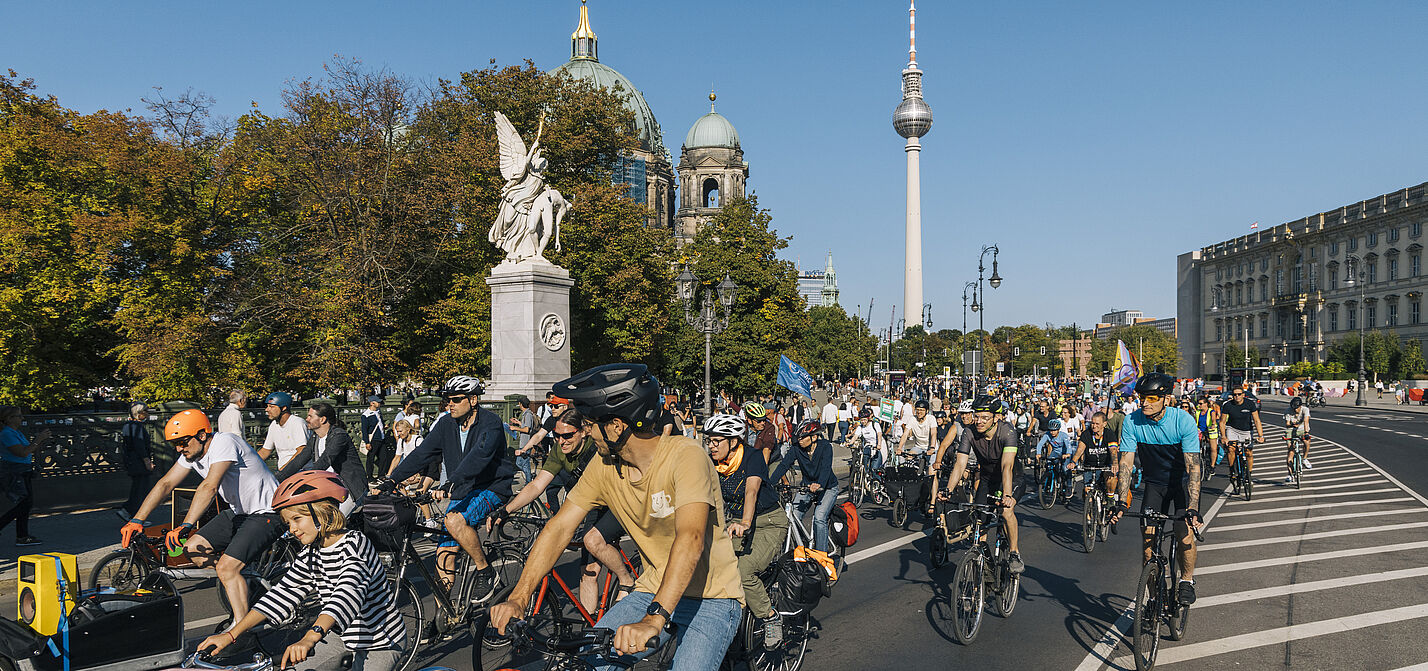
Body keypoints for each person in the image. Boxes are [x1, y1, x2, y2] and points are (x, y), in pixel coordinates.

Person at [489, 364, 744, 668]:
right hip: (652, 588)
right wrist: (520, 595)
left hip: (712, 597)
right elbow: (559, 528)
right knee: (589, 664)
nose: (586, 431)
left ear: (616, 426)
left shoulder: (685, 455)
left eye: (589, 423)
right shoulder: (604, 464)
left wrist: (654, 619)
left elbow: (691, 538)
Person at [199, 471, 405, 671]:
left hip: (380, 641)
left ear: (322, 512)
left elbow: (346, 595)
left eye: (297, 519)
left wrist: (310, 637)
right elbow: (282, 594)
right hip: (341, 636)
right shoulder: (310, 553)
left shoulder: (356, 545)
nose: (292, 529)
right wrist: (231, 635)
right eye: (288, 523)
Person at [122, 409, 283, 625]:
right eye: (175, 444)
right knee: (192, 549)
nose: (180, 448)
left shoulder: (225, 442)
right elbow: (165, 484)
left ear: (201, 435)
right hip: (239, 512)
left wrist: (185, 525)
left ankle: (242, 629)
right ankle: (243, 578)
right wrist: (136, 520)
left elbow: (209, 485)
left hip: (267, 511)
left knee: (227, 567)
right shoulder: (191, 453)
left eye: (183, 442)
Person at [379, 375, 512, 603]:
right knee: (443, 556)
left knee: (453, 521)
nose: (450, 404)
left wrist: (451, 481)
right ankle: (444, 614)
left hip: (490, 487)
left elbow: (479, 455)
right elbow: (422, 454)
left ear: (473, 400)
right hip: (462, 488)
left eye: (456, 399)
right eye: (447, 399)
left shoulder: (490, 423)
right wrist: (393, 479)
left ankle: (485, 570)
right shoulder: (446, 424)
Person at [490, 407, 634, 614]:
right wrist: (506, 510)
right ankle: (589, 623)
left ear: (583, 431)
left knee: (592, 541)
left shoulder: (596, 448)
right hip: (590, 504)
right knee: (588, 571)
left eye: (567, 435)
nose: (561, 441)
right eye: (557, 436)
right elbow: (537, 485)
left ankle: (626, 579)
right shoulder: (559, 450)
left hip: (617, 503)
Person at [1110, 373, 1204, 605]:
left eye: (1151, 398)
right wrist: (1122, 501)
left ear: (1167, 399)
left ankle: (1186, 581)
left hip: (1181, 483)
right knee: (1148, 545)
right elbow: (1125, 464)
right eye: (1142, 397)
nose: (1145, 403)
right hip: (1155, 485)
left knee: (1183, 532)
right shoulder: (1132, 421)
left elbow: (1193, 468)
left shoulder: (1183, 421)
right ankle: (1154, 598)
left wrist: (1192, 507)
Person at [705, 413, 788, 649]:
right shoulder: (713, 462)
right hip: (733, 521)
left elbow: (751, 492)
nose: (711, 446)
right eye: (708, 441)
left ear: (733, 442)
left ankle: (770, 617)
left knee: (743, 571)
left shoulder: (752, 457)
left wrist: (746, 523)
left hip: (767, 522)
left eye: (715, 441)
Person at [939, 395, 1025, 574]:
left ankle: (1014, 553)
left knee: (1006, 511)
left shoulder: (1007, 431)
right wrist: (948, 489)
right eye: (976, 416)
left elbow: (1007, 466)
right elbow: (960, 464)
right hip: (987, 479)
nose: (978, 421)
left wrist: (1007, 496)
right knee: (980, 519)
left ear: (996, 417)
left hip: (1010, 478)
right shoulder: (969, 432)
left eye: (984, 417)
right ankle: (982, 560)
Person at [279, 403, 367, 515]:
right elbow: (299, 460)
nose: (307, 419)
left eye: (311, 416)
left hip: (350, 489)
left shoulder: (339, 436)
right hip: (328, 488)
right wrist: (277, 478)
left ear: (322, 419)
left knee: (332, 523)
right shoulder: (315, 437)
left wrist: (302, 481)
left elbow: (325, 460)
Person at [770, 420, 839, 553]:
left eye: (802, 437)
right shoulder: (797, 448)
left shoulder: (825, 447)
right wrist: (769, 483)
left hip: (828, 487)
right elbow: (784, 465)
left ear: (814, 437)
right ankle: (803, 546)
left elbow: (826, 468)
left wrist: (820, 484)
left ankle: (821, 558)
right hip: (807, 487)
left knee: (819, 518)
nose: (799, 440)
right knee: (793, 515)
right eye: (798, 437)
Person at [0, 406, 51, 546]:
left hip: (23, 470)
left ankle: (22, 536)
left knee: (26, 504)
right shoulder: (6, 434)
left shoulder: (15, 432)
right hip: (14, 471)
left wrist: (39, 442)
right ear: (9, 419)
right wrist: (38, 439)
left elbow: (28, 450)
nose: (22, 418)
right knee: (24, 504)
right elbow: (22, 452)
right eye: (19, 416)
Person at [1073, 411, 1118, 531]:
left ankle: (1110, 498)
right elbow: (1080, 449)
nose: (1094, 426)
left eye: (1097, 424)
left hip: (1105, 466)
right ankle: (1089, 517)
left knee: (1111, 478)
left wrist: (1114, 463)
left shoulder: (1109, 434)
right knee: (1087, 491)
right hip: (1090, 466)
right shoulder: (1086, 434)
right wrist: (1073, 461)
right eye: (1092, 423)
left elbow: (1113, 450)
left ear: (1104, 424)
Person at [1218, 386, 1264, 478]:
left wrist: (1260, 435)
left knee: (1249, 452)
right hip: (1232, 429)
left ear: (1243, 395)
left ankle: (1248, 475)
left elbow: (1256, 420)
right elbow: (1222, 422)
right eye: (1235, 394)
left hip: (1247, 430)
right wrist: (1223, 436)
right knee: (1231, 449)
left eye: (1239, 394)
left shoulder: (1250, 404)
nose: (1237, 396)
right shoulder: (1228, 405)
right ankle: (1232, 471)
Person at [259, 392, 311, 471]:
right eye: (267, 406)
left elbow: (301, 451)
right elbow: (265, 451)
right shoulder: (274, 425)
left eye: (271, 407)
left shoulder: (297, 423)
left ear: (283, 408)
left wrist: (285, 469)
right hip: (284, 473)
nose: (267, 410)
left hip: (301, 471)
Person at [120, 403, 155, 516]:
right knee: (141, 489)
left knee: (137, 487)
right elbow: (139, 445)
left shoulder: (128, 425)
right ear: (139, 413)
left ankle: (129, 510)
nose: (147, 414)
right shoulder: (137, 426)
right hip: (139, 462)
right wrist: (147, 461)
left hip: (131, 461)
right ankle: (133, 513)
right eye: (146, 411)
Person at [895, 399, 937, 473]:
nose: (919, 412)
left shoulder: (931, 418)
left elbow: (933, 433)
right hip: (919, 447)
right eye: (917, 410)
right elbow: (905, 434)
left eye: (922, 410)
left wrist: (932, 448)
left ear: (927, 411)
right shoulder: (912, 419)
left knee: (931, 471)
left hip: (931, 448)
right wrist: (899, 448)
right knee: (909, 460)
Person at [1283, 396, 1313, 482]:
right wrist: (1292, 424)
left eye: (1297, 408)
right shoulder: (1288, 411)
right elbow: (1287, 424)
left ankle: (1305, 459)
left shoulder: (1305, 409)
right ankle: (1290, 474)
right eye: (1294, 408)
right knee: (1290, 451)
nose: (1295, 410)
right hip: (1291, 430)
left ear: (1300, 406)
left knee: (1307, 441)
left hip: (1302, 429)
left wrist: (1306, 432)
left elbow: (1306, 421)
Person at [361, 396, 389, 481]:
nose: (379, 403)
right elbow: (364, 430)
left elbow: (380, 424)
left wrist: (384, 427)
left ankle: (381, 475)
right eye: (378, 402)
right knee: (371, 458)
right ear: (372, 403)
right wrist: (367, 442)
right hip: (373, 439)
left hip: (381, 437)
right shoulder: (366, 415)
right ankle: (370, 476)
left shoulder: (378, 412)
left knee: (383, 457)